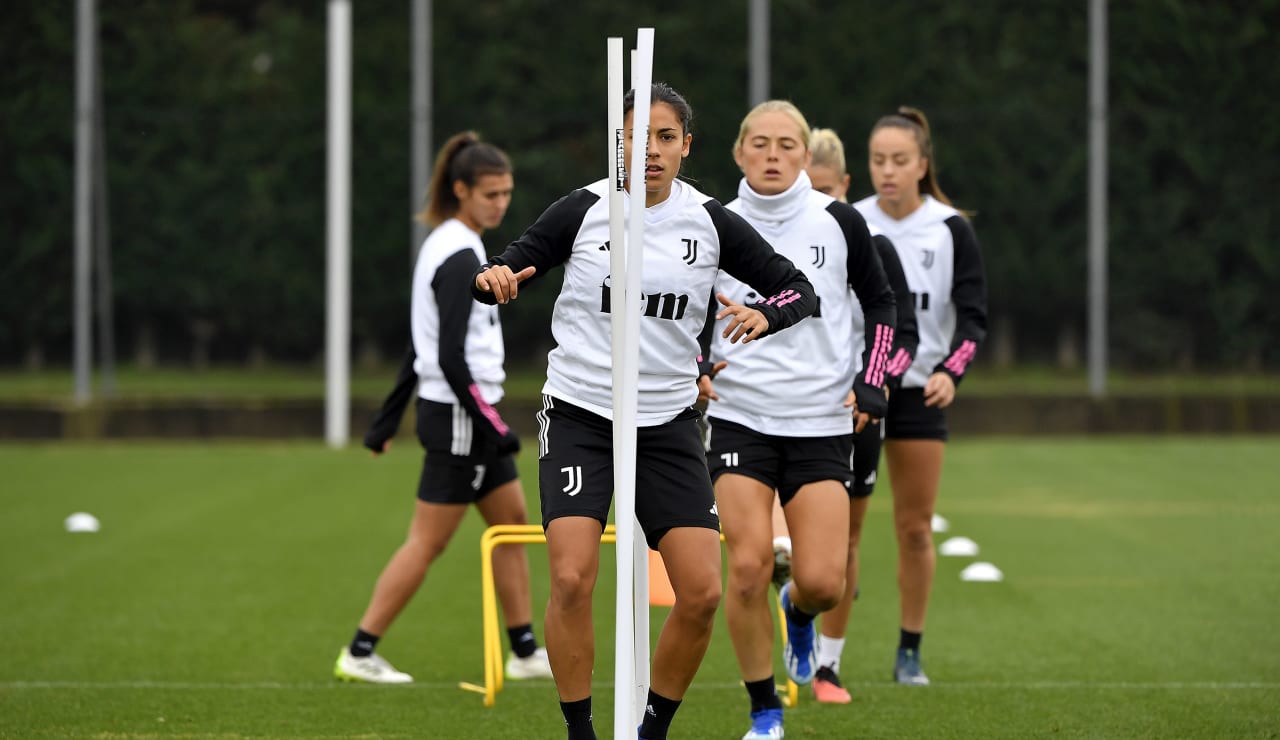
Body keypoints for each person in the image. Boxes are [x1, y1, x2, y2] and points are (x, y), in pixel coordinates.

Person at [472, 83, 817, 740]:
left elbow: (799, 289)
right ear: (617, 142)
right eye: (636, 136)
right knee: (572, 576)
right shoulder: (585, 209)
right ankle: (582, 732)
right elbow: (511, 265)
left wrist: (765, 314)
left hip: (667, 424)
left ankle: (652, 728)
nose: (650, 150)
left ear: (687, 146)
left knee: (702, 591)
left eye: (665, 137)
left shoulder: (709, 221)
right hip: (581, 414)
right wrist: (495, 279)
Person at [697, 101, 896, 739]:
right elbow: (683, 310)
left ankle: (799, 613)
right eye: (760, 144)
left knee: (822, 582)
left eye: (787, 144)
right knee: (749, 565)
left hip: (820, 423)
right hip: (739, 418)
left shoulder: (839, 221)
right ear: (737, 154)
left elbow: (882, 302)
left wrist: (874, 382)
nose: (773, 155)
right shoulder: (709, 223)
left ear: (808, 157)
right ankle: (764, 712)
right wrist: (698, 361)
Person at [334, 131, 553, 685]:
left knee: (511, 524)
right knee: (428, 541)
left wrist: (385, 422)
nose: (501, 203)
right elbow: (449, 358)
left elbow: (420, 344)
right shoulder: (459, 255)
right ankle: (360, 651)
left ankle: (525, 651)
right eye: (490, 194)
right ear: (461, 190)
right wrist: (495, 426)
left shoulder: (454, 242)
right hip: (462, 417)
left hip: (469, 412)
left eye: (506, 193)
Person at [779, 127, 920, 703]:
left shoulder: (865, 240)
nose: (816, 202)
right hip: (774, 409)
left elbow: (901, 332)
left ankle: (826, 666)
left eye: (827, 189)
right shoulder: (761, 237)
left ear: (844, 187)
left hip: (853, 413)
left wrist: (873, 385)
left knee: (846, 547)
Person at [852, 107, 988, 686]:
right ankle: (826, 661)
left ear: (923, 164)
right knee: (844, 532)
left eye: (900, 161)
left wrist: (951, 373)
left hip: (918, 396)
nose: (888, 171)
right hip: (857, 393)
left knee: (914, 527)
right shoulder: (850, 220)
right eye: (879, 160)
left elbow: (974, 318)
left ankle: (909, 650)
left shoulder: (950, 227)